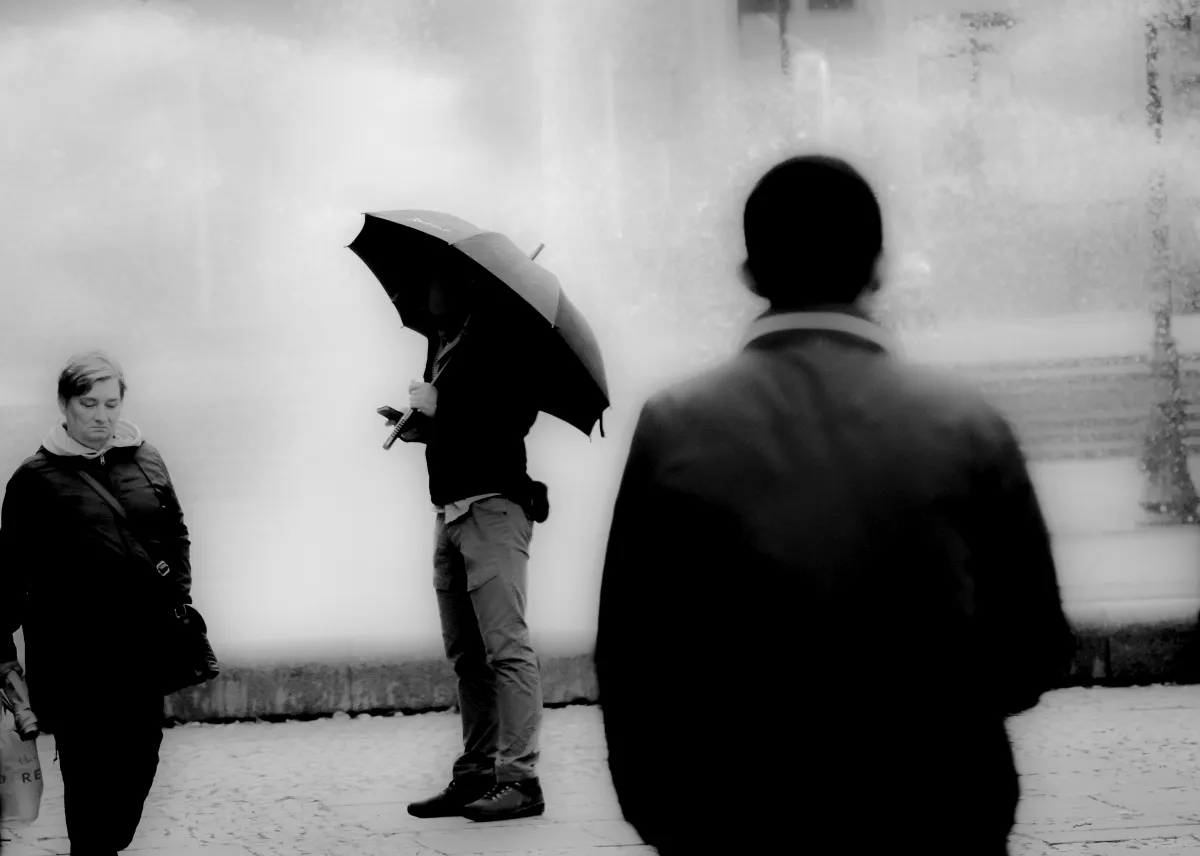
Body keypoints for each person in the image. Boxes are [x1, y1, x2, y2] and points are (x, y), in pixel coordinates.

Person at [595, 154, 1076, 856]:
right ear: (879, 268)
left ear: (750, 276)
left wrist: (670, 819)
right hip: (936, 814)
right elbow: (1035, 651)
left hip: (740, 817)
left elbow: (635, 654)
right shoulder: (965, 423)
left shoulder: (676, 424)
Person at [0, 350, 194, 855]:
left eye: (111, 403)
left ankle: (103, 846)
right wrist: (3, 655)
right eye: (89, 403)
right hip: (73, 659)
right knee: (89, 775)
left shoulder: (146, 458)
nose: (102, 416)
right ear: (65, 405)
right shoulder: (33, 480)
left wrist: (177, 596)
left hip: (142, 651)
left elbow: (175, 533)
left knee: (140, 762)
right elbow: (9, 572)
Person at [393, 268, 549, 823]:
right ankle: (478, 772)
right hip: (450, 509)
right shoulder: (443, 343)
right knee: (466, 654)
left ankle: (521, 780)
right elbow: (460, 427)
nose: (422, 291)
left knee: (506, 647)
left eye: (433, 282)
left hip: (493, 507)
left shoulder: (504, 339)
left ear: (460, 286)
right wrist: (422, 426)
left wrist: (444, 409)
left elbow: (513, 420)